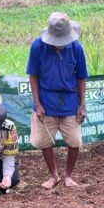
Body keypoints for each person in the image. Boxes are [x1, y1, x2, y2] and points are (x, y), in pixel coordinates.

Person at [26, 12, 88, 188]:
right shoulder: (38, 46)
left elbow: (81, 78)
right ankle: (53, 175)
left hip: (69, 102)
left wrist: (81, 106)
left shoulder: (76, 48)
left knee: (75, 141)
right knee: (43, 141)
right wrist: (37, 104)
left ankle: (68, 175)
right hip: (46, 101)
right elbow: (33, 76)